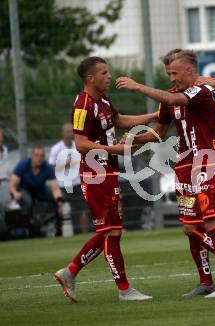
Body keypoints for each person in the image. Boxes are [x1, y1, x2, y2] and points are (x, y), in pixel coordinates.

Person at [116, 49, 215, 298]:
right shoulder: (172, 95)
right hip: (185, 163)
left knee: (211, 221)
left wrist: (138, 87)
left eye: (174, 73)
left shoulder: (203, 89)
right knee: (190, 227)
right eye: (168, 73)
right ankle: (208, 280)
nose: (171, 78)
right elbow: (159, 132)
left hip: (210, 159)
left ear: (190, 70)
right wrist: (134, 140)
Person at [53, 56, 158, 302]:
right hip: (95, 175)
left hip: (108, 172)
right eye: (103, 73)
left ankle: (70, 272)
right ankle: (124, 289)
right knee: (112, 232)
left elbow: (119, 121)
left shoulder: (103, 100)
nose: (109, 76)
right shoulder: (83, 104)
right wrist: (115, 150)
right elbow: (80, 144)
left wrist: (153, 115)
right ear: (90, 78)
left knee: (109, 232)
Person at [9, 145, 63, 234]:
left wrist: (59, 201)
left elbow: (55, 189)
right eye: (36, 155)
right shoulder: (23, 165)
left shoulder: (47, 167)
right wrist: (15, 193)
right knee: (27, 201)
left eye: (41, 156)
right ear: (32, 156)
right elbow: (12, 184)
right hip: (23, 188)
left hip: (39, 189)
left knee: (56, 200)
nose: (39, 158)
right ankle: (27, 225)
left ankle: (48, 222)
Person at [48, 123, 88, 233]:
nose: (70, 134)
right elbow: (51, 168)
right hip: (62, 185)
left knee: (82, 211)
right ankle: (58, 233)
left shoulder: (79, 146)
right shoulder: (56, 149)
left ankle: (83, 234)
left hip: (78, 184)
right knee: (60, 211)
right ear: (62, 133)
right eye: (67, 131)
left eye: (71, 131)